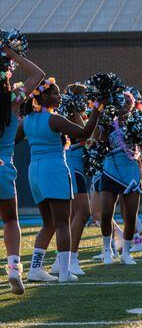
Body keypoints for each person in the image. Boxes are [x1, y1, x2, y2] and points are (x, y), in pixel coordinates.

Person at [19, 78, 102, 283]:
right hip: (54, 169)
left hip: (35, 171)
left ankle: (35, 269)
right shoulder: (53, 119)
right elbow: (84, 133)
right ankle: (64, 272)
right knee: (63, 224)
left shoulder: (26, 120)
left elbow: (11, 140)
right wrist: (97, 110)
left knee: (48, 224)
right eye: (55, 93)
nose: (59, 96)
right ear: (45, 97)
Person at [0, 44, 45, 294]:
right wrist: (13, 55)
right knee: (10, 219)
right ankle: (14, 268)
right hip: (4, 167)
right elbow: (38, 74)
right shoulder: (13, 101)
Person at [97, 92, 142, 266]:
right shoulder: (109, 123)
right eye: (121, 102)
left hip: (130, 171)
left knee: (130, 215)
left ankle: (126, 252)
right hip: (111, 170)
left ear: (132, 105)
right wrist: (103, 126)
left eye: (128, 103)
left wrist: (138, 137)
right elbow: (99, 143)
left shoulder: (137, 123)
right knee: (105, 213)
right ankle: (107, 249)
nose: (125, 106)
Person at [50, 84, 92, 276]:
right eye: (84, 97)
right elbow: (84, 136)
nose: (87, 101)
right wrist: (77, 111)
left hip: (78, 166)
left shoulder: (73, 111)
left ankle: (62, 260)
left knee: (77, 214)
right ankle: (69, 259)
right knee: (82, 212)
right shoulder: (71, 112)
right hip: (72, 164)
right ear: (76, 98)